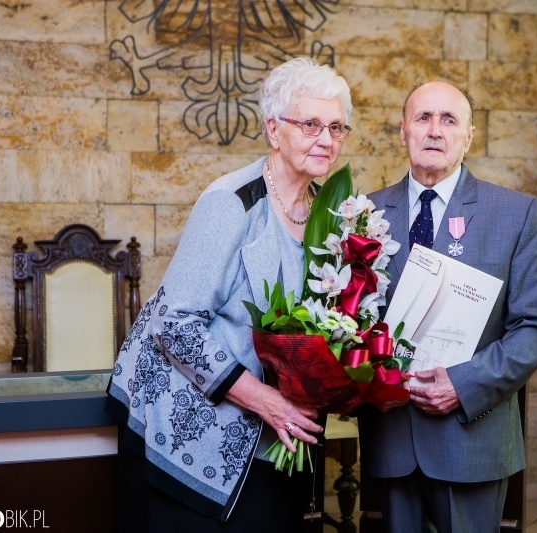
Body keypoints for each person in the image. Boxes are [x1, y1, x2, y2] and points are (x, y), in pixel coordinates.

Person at [106, 57, 354, 532]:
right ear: (273, 129)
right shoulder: (231, 203)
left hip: (278, 433)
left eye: (337, 127)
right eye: (310, 124)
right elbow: (174, 325)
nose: (326, 138)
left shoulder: (330, 213)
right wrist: (266, 400)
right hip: (193, 436)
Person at [357, 81, 537, 532]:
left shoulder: (517, 214)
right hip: (390, 437)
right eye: (423, 118)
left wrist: (463, 384)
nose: (434, 130)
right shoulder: (363, 214)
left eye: (449, 120)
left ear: (469, 137)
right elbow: (346, 321)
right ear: (403, 130)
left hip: (471, 439)